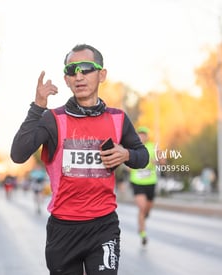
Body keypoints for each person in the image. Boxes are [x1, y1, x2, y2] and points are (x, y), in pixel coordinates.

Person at [10, 44, 149, 275]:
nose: (79, 75)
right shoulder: (53, 119)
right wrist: (37, 107)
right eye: (72, 70)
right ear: (66, 79)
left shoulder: (118, 119)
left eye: (86, 68)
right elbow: (18, 154)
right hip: (63, 230)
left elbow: (142, 157)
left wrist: (127, 154)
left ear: (101, 75)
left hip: (103, 226)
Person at [129, 126, 158, 246]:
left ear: (147, 136)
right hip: (137, 182)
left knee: (148, 208)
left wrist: (157, 160)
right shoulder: (133, 147)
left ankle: (143, 217)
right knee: (142, 207)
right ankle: (143, 233)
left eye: (144, 134)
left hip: (150, 182)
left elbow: (162, 161)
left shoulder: (153, 147)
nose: (142, 136)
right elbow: (127, 162)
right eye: (139, 134)